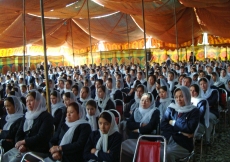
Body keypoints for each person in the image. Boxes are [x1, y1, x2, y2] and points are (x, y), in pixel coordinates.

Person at [2, 90, 54, 162]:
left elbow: (41, 136)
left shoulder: (46, 117)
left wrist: (24, 142)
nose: (28, 103)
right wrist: (21, 145)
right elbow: (19, 133)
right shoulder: (26, 116)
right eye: (27, 101)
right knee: (4, 157)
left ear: (38, 101)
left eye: (31, 100)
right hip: (23, 148)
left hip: (37, 150)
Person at [160, 86, 200, 162]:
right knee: (155, 151)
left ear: (187, 96)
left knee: (167, 153)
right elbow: (163, 125)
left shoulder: (194, 111)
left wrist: (173, 122)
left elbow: (190, 128)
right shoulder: (171, 108)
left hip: (183, 143)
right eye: (176, 97)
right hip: (167, 139)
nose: (178, 99)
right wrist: (180, 131)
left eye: (181, 96)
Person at [198, 77, 219, 144]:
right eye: (201, 84)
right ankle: (198, 136)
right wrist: (206, 104)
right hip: (201, 111)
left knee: (207, 119)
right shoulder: (199, 93)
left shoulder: (213, 91)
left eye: (204, 83)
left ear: (208, 83)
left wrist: (203, 104)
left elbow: (213, 102)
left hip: (212, 111)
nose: (203, 85)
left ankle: (207, 139)